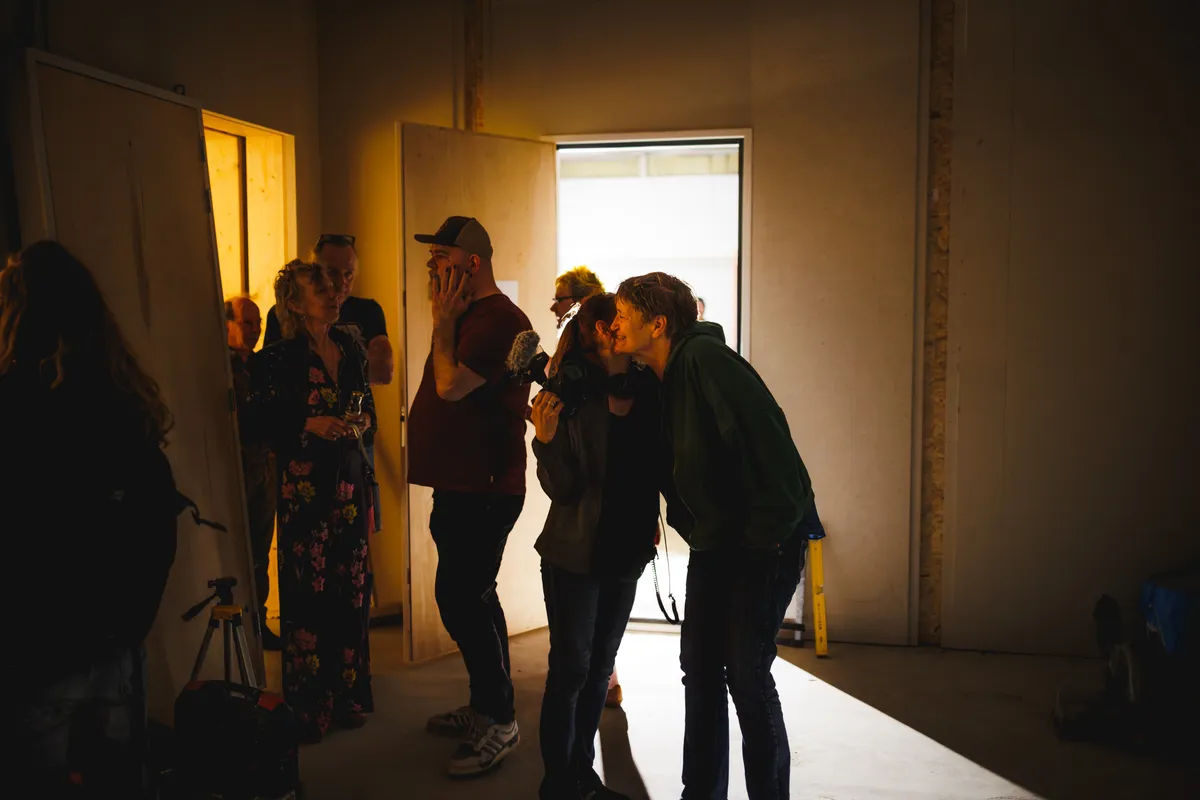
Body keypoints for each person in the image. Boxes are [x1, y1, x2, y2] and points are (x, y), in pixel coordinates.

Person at [612, 272, 826, 800]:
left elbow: (772, 449)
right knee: (700, 669)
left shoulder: (706, 361)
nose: (613, 326)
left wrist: (763, 541)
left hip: (762, 542)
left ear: (657, 324)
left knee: (747, 676)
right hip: (718, 541)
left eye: (622, 316)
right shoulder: (661, 377)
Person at [4, 240, 180, 797]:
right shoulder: (121, 401)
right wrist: (130, 624)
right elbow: (157, 528)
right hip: (111, 645)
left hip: (38, 649)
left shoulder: (15, 403)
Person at [407, 216, 532, 777]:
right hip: (460, 484)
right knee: (473, 597)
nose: (432, 266)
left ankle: (499, 722)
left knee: (462, 598)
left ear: (471, 263)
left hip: (485, 487)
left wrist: (441, 323)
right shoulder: (469, 315)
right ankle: (486, 706)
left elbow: (450, 385)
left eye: (441, 257)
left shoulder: (500, 320)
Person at [530, 293, 660, 800]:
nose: (629, 327)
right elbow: (563, 490)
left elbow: (654, 465)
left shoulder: (647, 387)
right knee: (571, 670)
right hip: (574, 552)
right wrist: (545, 442)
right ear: (606, 331)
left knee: (601, 668)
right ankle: (558, 783)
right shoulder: (571, 390)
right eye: (622, 320)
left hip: (626, 550)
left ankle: (582, 776)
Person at [244, 259, 377, 743]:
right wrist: (307, 423)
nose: (332, 292)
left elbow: (368, 407)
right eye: (319, 288)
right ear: (295, 304)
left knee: (352, 589)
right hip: (304, 489)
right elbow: (254, 421)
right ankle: (310, 705)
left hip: (349, 483)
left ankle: (348, 694)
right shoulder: (277, 358)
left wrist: (361, 422)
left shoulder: (350, 347)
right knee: (309, 593)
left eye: (332, 285)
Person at [226, 296, 281, 650]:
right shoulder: (219, 368)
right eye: (246, 322)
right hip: (236, 467)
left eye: (258, 322)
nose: (255, 329)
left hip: (264, 466)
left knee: (261, 551)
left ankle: (258, 624)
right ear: (227, 324)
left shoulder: (263, 366)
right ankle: (236, 627)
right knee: (234, 548)